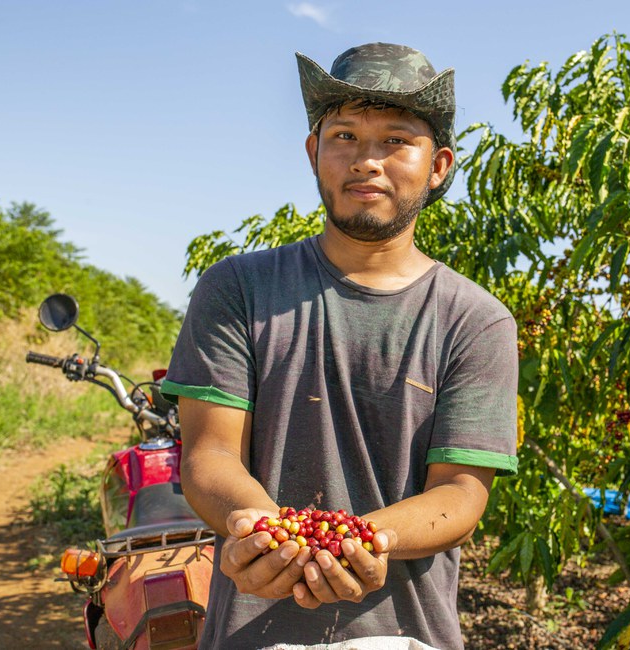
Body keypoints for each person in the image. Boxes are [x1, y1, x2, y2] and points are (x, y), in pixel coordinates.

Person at [160, 43, 519, 649]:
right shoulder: (238, 289)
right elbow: (208, 456)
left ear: (439, 166)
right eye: (345, 135)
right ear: (313, 152)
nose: (366, 161)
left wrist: (360, 538)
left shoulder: (475, 320)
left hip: (406, 634)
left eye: (397, 140)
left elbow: (460, 492)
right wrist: (267, 531)